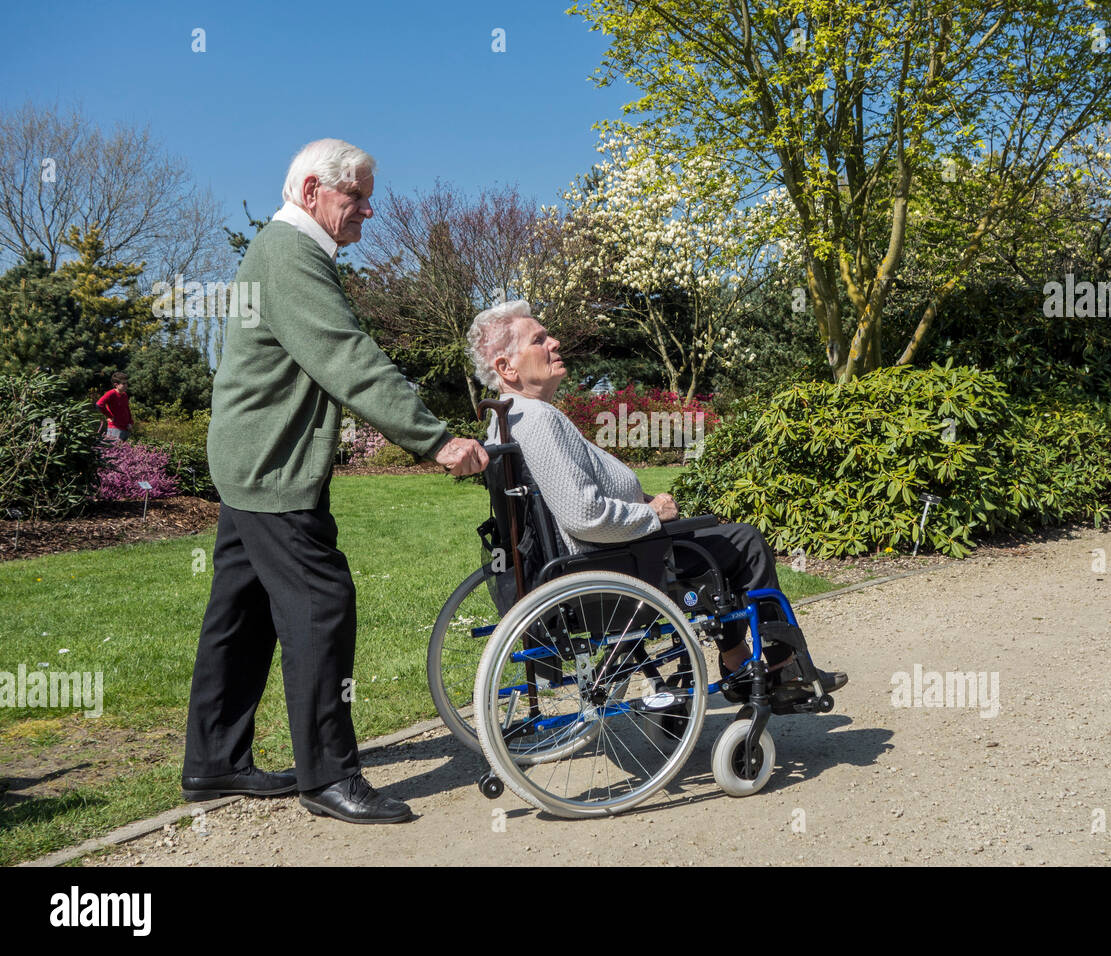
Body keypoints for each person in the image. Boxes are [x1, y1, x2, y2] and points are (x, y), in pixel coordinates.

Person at [181, 139, 489, 825]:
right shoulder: (290, 253)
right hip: (271, 468)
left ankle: (214, 761)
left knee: (242, 613)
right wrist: (436, 441)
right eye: (357, 197)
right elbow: (347, 358)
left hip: (252, 462)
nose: (369, 210)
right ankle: (328, 777)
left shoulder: (284, 250)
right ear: (313, 189)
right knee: (321, 602)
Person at [465, 299, 846, 703]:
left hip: (602, 557)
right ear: (507, 368)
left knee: (715, 532)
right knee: (745, 542)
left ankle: (739, 661)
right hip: (614, 562)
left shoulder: (512, 418)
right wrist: (651, 512)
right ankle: (780, 666)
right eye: (539, 339)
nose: (555, 343)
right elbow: (584, 517)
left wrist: (639, 500)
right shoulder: (538, 420)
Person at [96, 372, 132, 441]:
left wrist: (130, 423)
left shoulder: (124, 395)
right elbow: (99, 404)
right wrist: (109, 416)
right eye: (123, 384)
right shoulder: (111, 393)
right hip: (115, 428)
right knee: (112, 450)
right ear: (116, 385)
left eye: (126, 383)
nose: (126, 385)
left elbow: (127, 409)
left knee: (123, 451)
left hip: (125, 428)